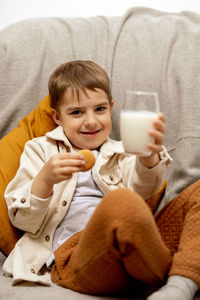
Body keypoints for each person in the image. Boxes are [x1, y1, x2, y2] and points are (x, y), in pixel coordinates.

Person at [2, 60, 199, 300]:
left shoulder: (123, 150)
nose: (91, 121)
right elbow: (23, 221)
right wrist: (45, 180)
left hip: (138, 248)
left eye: (100, 109)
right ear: (57, 117)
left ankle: (180, 284)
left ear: (111, 107)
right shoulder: (41, 151)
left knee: (144, 199)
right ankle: (167, 273)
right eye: (76, 112)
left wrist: (148, 159)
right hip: (75, 258)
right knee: (121, 202)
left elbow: (143, 190)